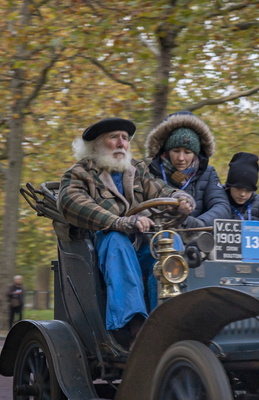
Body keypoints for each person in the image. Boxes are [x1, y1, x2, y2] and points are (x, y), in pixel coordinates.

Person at [56, 117, 194, 345]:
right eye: (114, 137)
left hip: (141, 243)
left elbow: (162, 190)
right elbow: (71, 202)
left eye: (125, 138)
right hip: (99, 250)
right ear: (96, 144)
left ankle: (166, 318)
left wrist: (181, 198)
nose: (122, 143)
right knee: (116, 240)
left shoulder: (137, 169)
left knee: (170, 241)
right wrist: (117, 222)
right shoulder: (80, 173)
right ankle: (134, 325)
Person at [145, 111, 230, 228]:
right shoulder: (149, 173)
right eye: (175, 151)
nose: (181, 158)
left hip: (197, 239)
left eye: (187, 152)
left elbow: (222, 207)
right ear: (166, 151)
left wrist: (198, 224)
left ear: (195, 154)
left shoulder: (208, 173)